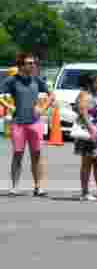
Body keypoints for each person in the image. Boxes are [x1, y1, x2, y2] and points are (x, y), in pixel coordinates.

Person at [2, 53, 52, 196]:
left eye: (33, 63)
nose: (33, 65)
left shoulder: (37, 80)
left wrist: (43, 108)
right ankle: (15, 186)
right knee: (18, 154)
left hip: (35, 122)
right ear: (21, 65)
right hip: (18, 123)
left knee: (36, 154)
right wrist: (9, 106)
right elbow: (0, 95)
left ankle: (38, 187)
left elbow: (51, 95)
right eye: (29, 63)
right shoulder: (12, 80)